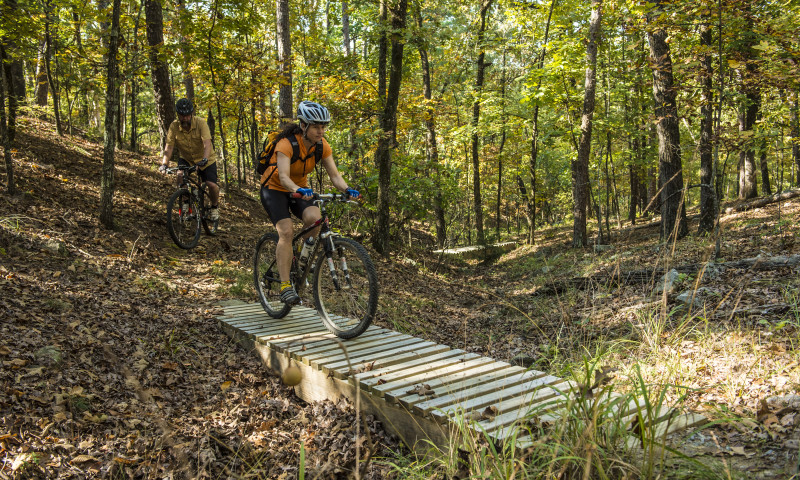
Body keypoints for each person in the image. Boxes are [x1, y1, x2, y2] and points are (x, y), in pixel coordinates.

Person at [260, 101, 360, 304]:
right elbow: (285, 177)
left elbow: (335, 175)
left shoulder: (322, 146)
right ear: (304, 126)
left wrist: (347, 189)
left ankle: (299, 256)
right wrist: (297, 189)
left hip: (300, 191)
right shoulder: (286, 144)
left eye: (323, 127)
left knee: (315, 218)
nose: (320, 131)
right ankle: (286, 285)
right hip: (274, 189)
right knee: (286, 231)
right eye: (316, 126)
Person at [159, 98, 221, 222]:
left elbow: (207, 143)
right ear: (178, 115)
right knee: (180, 175)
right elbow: (169, 146)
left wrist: (204, 159)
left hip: (206, 158)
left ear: (191, 114)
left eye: (187, 115)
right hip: (186, 158)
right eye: (182, 116)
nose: (185, 118)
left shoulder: (200, 123)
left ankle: (214, 207)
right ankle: (186, 201)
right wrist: (164, 164)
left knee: (211, 185)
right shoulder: (174, 126)